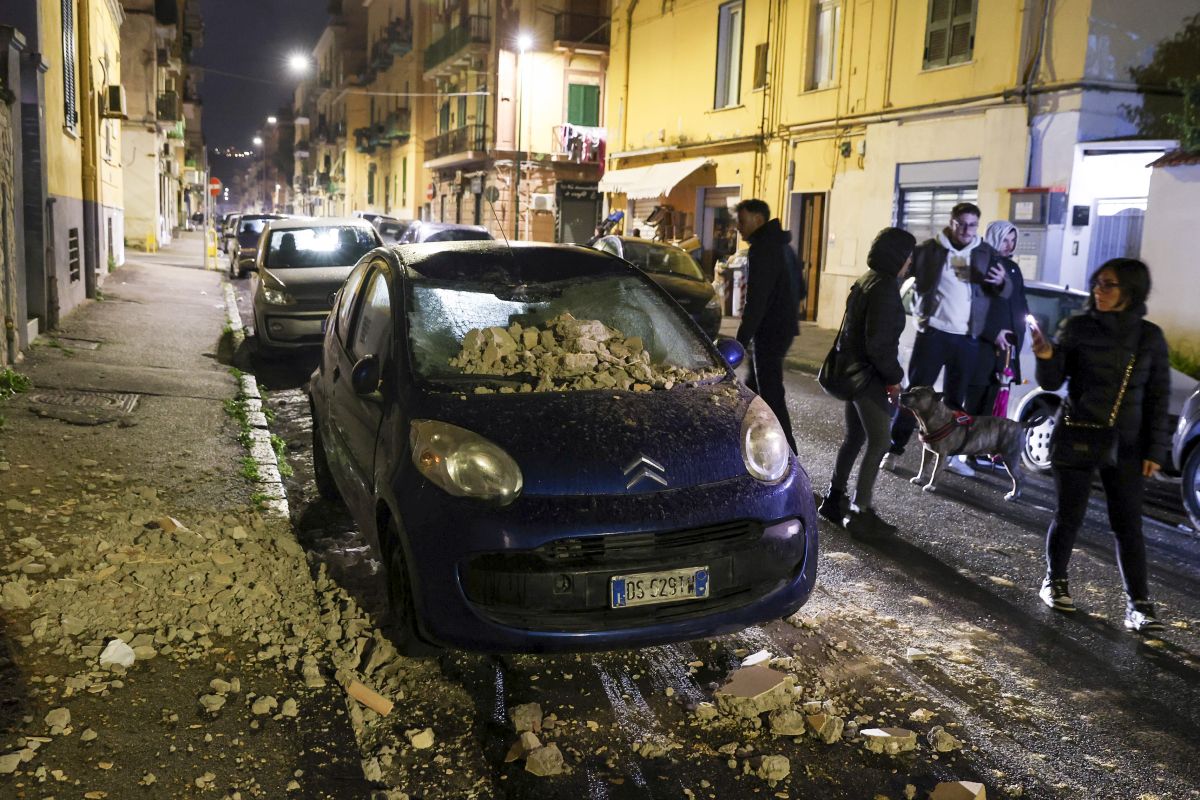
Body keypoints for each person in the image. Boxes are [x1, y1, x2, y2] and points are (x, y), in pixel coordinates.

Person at [1030, 258, 1170, 633]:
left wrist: (1155, 451)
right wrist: (1046, 356)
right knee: (1069, 514)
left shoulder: (1149, 337)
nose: (1099, 291)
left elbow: (1159, 396)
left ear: (1130, 291)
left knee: (1128, 525)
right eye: (1097, 283)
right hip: (1077, 431)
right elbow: (1052, 380)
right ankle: (1054, 580)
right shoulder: (1077, 327)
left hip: (1128, 443)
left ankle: (1139, 605)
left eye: (1108, 285)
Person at [883, 202, 1010, 475]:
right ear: (951, 223)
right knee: (915, 393)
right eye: (961, 223)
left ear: (977, 226)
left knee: (954, 400)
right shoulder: (930, 249)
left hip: (967, 338)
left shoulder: (985, 253)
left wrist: (1002, 283)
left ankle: (950, 455)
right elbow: (899, 273)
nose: (966, 230)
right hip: (934, 334)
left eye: (972, 225)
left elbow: (1005, 292)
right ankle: (894, 449)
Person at [818, 227, 916, 536]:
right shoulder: (885, 289)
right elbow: (879, 345)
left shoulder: (867, 279)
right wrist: (894, 379)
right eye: (908, 256)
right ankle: (860, 511)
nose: (910, 262)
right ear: (897, 256)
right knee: (880, 440)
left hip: (853, 372)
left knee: (855, 438)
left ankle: (835, 498)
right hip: (868, 377)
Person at [734, 198, 801, 453]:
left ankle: (791, 454)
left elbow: (757, 299)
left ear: (758, 220)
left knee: (771, 395)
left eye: (742, 221)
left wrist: (741, 340)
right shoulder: (784, 247)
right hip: (783, 327)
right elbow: (800, 289)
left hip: (770, 330)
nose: (738, 227)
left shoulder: (763, 248)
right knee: (752, 390)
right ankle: (746, 443)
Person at [962, 220, 1030, 468]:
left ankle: (982, 449)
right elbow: (973, 308)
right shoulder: (981, 265)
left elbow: (1019, 303)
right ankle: (966, 451)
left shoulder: (1013, 268)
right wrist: (992, 333)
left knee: (995, 401)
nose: (1009, 245)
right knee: (976, 402)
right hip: (983, 348)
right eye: (1005, 239)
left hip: (1007, 351)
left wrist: (1021, 334)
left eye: (1013, 240)